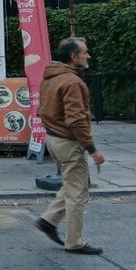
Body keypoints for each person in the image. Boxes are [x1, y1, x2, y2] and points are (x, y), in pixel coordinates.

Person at [34, 37, 106, 256]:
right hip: (68, 141)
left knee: (72, 184)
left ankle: (48, 221)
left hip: (53, 139)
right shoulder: (73, 82)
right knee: (78, 193)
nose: (88, 55)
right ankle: (74, 242)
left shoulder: (52, 76)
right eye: (84, 52)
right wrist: (93, 150)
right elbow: (76, 120)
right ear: (74, 57)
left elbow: (43, 108)